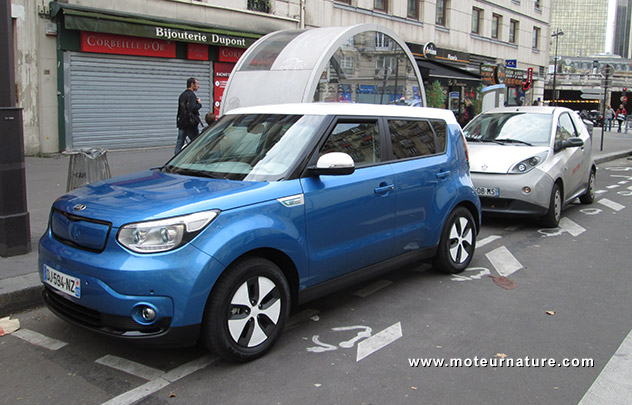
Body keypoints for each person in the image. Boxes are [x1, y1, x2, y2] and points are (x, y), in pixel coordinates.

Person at [175, 77, 202, 154]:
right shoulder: (192, 95)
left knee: (179, 143)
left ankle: (175, 158)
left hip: (182, 123)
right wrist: (199, 104)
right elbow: (193, 108)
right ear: (192, 84)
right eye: (196, 84)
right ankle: (197, 157)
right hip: (190, 124)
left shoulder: (182, 95)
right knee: (196, 143)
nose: (198, 86)